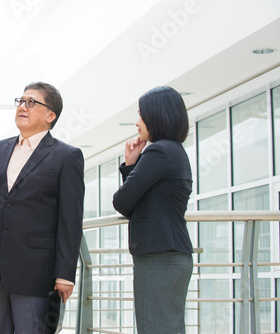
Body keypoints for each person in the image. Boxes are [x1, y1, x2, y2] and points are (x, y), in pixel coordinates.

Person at [0, 81, 84, 334]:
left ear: (50, 115)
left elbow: (70, 220)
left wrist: (65, 274)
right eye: (20, 101)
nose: (23, 106)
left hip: (35, 272)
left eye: (31, 102)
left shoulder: (66, 156)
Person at [112, 86, 193, 334]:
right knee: (166, 326)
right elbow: (140, 198)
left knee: (156, 327)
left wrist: (130, 165)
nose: (137, 123)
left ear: (157, 116)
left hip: (160, 257)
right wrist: (131, 164)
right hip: (169, 254)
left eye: (141, 115)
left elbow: (122, 201)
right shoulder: (172, 150)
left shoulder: (159, 151)